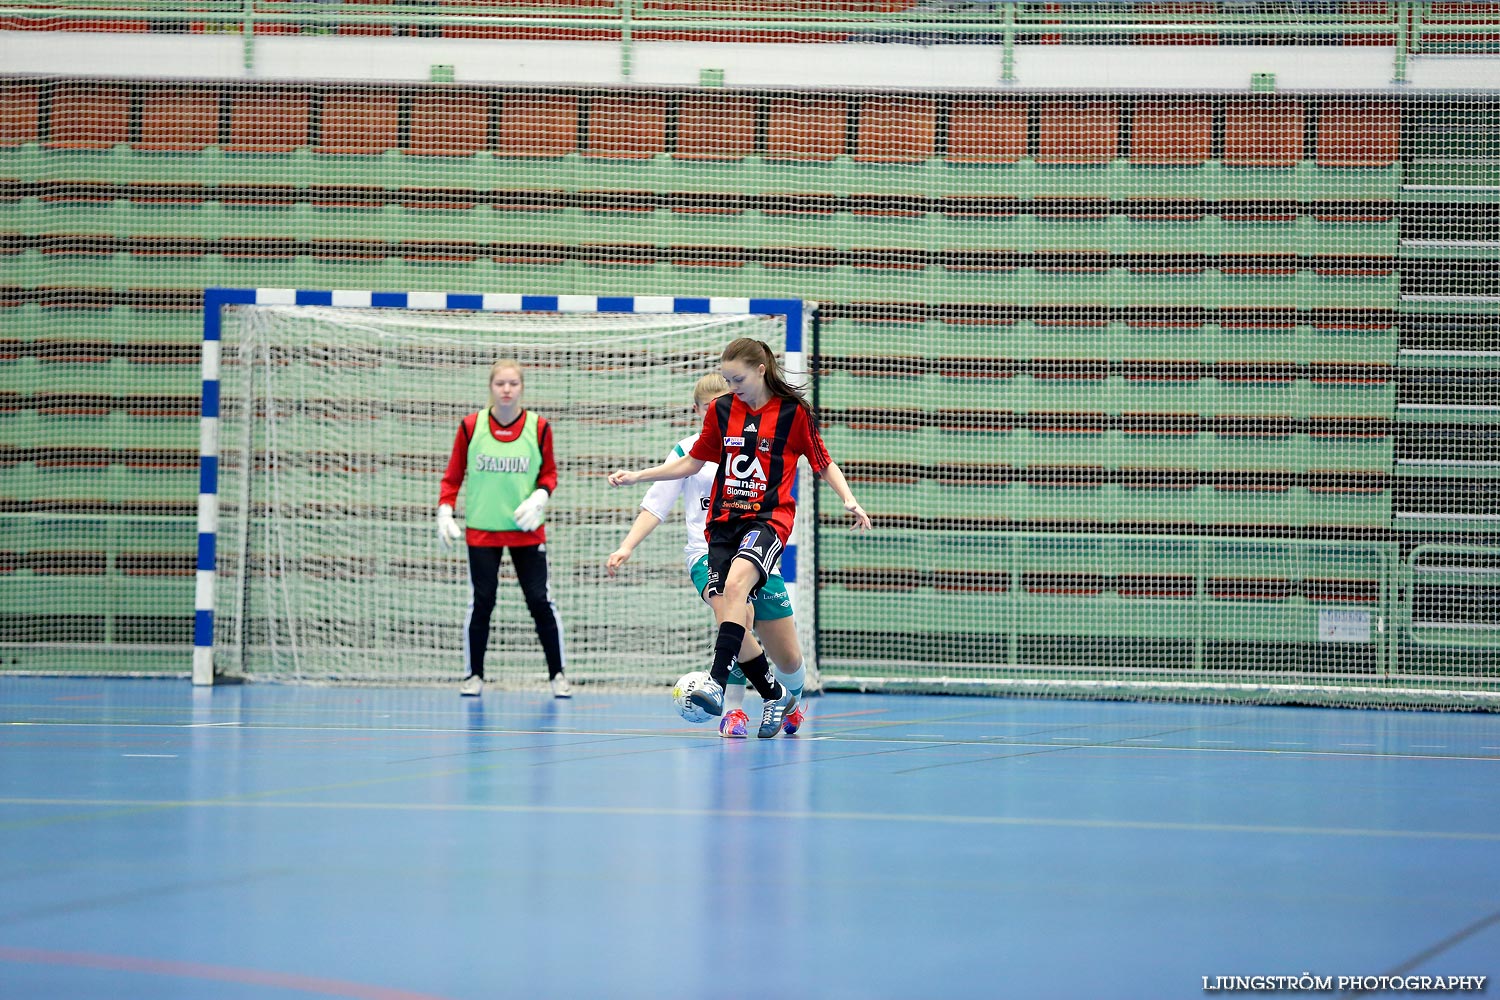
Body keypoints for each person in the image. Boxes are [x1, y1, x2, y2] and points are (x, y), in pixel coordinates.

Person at [609, 338, 871, 738]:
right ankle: (758, 698)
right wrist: (638, 476)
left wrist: (849, 498)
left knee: (783, 648)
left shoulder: (792, 414)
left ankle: (762, 690)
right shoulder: (721, 412)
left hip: (768, 520)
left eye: (738, 378)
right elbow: (692, 462)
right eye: (726, 379)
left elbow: (822, 460)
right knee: (734, 606)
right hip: (721, 529)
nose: (732, 386)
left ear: (761, 370)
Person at [606, 373, 809, 738]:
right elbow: (655, 506)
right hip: (707, 553)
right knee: (735, 619)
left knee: (789, 657)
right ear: (697, 410)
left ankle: (788, 700)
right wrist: (626, 545)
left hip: (758, 552)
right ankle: (734, 711)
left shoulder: (756, 446)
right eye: (710, 408)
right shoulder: (686, 451)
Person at [438, 359, 570, 698]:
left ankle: (558, 674)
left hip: (527, 530)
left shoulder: (539, 428)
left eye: (513, 383)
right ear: (491, 387)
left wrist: (541, 495)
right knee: (482, 601)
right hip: (482, 530)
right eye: (501, 384)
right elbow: (453, 476)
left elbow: (549, 473)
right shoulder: (471, 427)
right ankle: (473, 675)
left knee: (540, 600)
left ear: (522, 387)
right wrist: (445, 510)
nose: (507, 389)